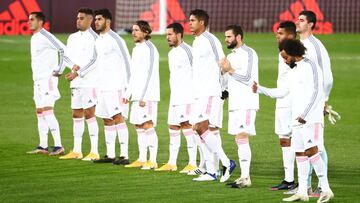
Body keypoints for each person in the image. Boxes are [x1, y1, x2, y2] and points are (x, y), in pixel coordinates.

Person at [253, 39, 334, 202]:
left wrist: (306, 113)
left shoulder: (311, 66)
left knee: (312, 151)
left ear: (293, 52)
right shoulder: (293, 70)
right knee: (299, 153)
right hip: (297, 119)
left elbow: (318, 92)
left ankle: (326, 189)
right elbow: (283, 92)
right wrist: (260, 89)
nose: (284, 60)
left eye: (285, 57)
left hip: (311, 118)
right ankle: (302, 191)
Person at [188, 9, 236, 182]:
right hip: (199, 93)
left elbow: (223, 63)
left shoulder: (210, 40)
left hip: (210, 91)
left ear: (202, 22)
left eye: (193, 20)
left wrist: (224, 88)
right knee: (198, 130)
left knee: (202, 128)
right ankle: (212, 171)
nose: (190, 23)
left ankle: (225, 163)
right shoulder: (196, 42)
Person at [293, 10, 334, 197]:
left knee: (318, 144)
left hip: (315, 104)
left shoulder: (316, 46)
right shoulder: (299, 45)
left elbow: (327, 77)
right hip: (301, 103)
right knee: (303, 145)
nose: (298, 22)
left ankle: (322, 185)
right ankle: (306, 186)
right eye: (298, 19)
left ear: (310, 24)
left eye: (301, 20)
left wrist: (324, 100)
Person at [26, 11, 75, 156]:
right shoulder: (34, 37)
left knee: (48, 112)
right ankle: (43, 145)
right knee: (40, 113)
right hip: (38, 81)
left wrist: (59, 69)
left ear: (40, 22)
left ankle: (59, 145)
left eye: (32, 20)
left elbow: (63, 49)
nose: (29, 22)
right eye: (28, 20)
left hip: (48, 80)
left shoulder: (46, 36)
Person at [219, 25, 258, 188]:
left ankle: (246, 177)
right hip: (235, 103)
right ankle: (243, 176)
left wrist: (230, 69)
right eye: (225, 37)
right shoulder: (230, 55)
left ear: (239, 37)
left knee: (242, 136)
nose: (226, 39)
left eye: (229, 37)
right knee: (238, 139)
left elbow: (249, 78)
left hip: (247, 101)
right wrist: (223, 77)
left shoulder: (249, 53)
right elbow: (228, 78)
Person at [155, 23, 198, 174]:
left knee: (187, 126)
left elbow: (199, 71)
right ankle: (172, 163)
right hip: (175, 97)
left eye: (170, 34)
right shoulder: (172, 53)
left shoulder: (188, 51)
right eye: (167, 35)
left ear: (179, 35)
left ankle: (193, 163)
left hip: (187, 97)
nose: (167, 38)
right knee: (173, 127)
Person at [58, 8, 100, 161]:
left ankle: (94, 151)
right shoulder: (72, 37)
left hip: (90, 82)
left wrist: (78, 72)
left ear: (90, 20)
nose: (78, 20)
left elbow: (95, 60)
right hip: (76, 82)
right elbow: (66, 56)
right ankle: (77, 150)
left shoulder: (96, 38)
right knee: (76, 114)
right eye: (77, 18)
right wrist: (72, 66)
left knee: (89, 113)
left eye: (82, 18)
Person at [91, 8, 131, 165]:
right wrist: (77, 73)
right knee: (106, 119)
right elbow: (94, 61)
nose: (96, 22)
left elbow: (128, 62)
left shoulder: (116, 39)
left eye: (99, 19)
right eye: (95, 19)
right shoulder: (98, 40)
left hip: (116, 86)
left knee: (117, 118)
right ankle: (110, 154)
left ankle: (124, 155)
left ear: (108, 21)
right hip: (102, 87)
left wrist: (129, 89)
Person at [124, 20, 160, 170]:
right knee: (138, 125)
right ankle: (141, 158)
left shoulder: (150, 49)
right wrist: (128, 93)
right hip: (136, 95)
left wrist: (144, 97)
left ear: (145, 32)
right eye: (133, 30)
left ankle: (152, 161)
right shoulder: (136, 49)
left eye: (137, 30)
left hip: (148, 96)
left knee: (147, 125)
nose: (134, 33)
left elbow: (151, 74)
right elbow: (134, 74)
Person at [269, 21, 297, 191]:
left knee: (297, 141)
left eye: (280, 33)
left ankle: (300, 181)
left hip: (291, 102)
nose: (276, 35)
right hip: (282, 101)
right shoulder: (282, 52)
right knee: (284, 139)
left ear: (291, 36)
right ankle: (289, 179)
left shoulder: (296, 53)